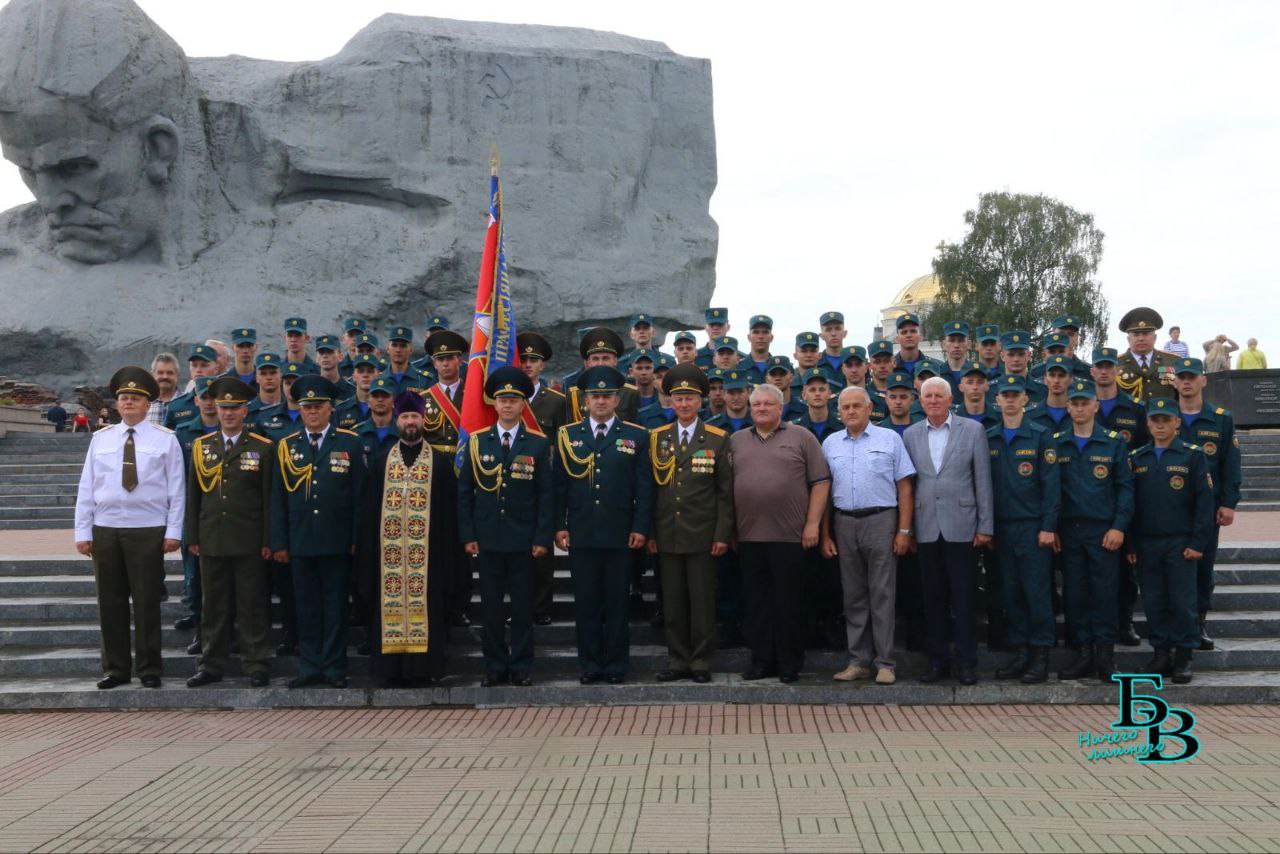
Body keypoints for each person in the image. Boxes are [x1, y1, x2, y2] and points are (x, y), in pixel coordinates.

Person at [74, 367, 185, 689]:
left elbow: (176, 489)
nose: (129, 403)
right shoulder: (101, 439)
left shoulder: (165, 440)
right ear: (117, 403)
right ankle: (116, 669)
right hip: (106, 528)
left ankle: (150, 668)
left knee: (147, 601)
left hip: (147, 528)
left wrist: (173, 531)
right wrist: (83, 532)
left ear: (147, 403)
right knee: (110, 601)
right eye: (124, 398)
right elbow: (87, 488)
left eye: (135, 398)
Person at [554, 366, 652, 684]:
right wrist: (560, 525)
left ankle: (616, 665)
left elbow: (644, 488)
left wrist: (640, 527)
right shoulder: (568, 435)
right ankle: (590, 664)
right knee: (586, 604)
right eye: (595, 396)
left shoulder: (636, 435)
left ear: (617, 399)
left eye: (606, 396)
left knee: (617, 604)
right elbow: (560, 485)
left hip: (620, 533)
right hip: (582, 533)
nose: (600, 401)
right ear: (585, 401)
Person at [458, 368, 554, 687]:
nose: (508, 406)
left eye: (514, 400)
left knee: (523, 609)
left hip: (524, 541)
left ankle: (522, 666)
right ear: (494, 405)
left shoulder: (538, 444)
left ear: (523, 404)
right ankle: (495, 667)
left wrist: (542, 538)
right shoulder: (477, 441)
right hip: (487, 541)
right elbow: (465, 494)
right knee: (491, 610)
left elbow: (546, 495)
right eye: (503, 400)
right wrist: (469, 535)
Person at [270, 375, 367, 689]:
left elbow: (359, 497)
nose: (312, 411)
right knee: (306, 607)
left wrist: (355, 539)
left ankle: (335, 667)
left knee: (336, 606)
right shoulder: (286, 446)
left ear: (331, 408)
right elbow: (278, 499)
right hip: (300, 541)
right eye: (306, 406)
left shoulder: (350, 443)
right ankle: (310, 666)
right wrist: (280, 542)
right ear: (299, 409)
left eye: (319, 406)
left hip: (337, 540)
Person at [730, 383, 831, 683]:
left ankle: (789, 663)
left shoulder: (802, 437)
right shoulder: (735, 440)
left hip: (791, 537)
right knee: (757, 606)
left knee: (789, 604)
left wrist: (812, 523)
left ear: (781, 407)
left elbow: (821, 482)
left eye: (767, 404)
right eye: (756, 404)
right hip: (748, 538)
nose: (761, 408)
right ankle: (762, 662)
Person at [357, 391, 458, 688]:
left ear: (423, 420)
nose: (410, 422)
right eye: (405, 417)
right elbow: (369, 513)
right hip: (388, 561)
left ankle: (423, 669)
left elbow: (450, 517)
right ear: (396, 421)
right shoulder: (380, 464)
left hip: (428, 559)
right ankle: (391, 670)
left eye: (415, 416)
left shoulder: (440, 464)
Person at [901, 376, 994, 685]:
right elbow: (909, 484)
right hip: (926, 527)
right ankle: (938, 661)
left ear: (951, 398)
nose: (933, 401)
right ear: (921, 400)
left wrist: (985, 526)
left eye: (939, 395)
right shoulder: (911, 434)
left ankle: (967, 663)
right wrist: (908, 530)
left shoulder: (973, 430)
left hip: (963, 527)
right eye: (928, 396)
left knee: (964, 598)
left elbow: (982, 480)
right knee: (933, 598)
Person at [820, 386, 914, 686]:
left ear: (869, 407)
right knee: (854, 596)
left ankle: (885, 662)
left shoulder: (890, 439)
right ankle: (858, 660)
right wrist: (825, 534)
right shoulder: (831, 443)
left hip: (881, 520)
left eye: (856, 406)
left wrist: (903, 530)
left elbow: (905, 487)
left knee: (882, 593)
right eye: (845, 407)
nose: (850, 411)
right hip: (844, 522)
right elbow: (823, 491)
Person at [184, 377, 274, 688]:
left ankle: (256, 663)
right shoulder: (201, 447)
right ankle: (210, 664)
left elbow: (268, 498)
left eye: (234, 408)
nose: (228, 413)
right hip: (212, 538)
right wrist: (191, 537)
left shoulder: (263, 448)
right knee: (214, 607)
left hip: (249, 538)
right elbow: (193, 496)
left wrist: (267, 540)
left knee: (252, 605)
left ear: (245, 411)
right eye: (223, 407)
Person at [647, 365, 733, 683]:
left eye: (690, 399)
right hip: (667, 533)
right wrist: (651, 532)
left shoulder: (717, 439)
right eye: (679, 398)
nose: (684, 404)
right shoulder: (656, 439)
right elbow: (650, 491)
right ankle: (677, 660)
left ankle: (700, 662)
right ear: (670, 401)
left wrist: (722, 534)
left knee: (701, 601)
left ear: (702, 402)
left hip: (702, 533)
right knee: (673, 602)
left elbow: (725, 494)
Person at [1128, 398, 1215, 683]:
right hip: (1147, 542)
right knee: (1154, 601)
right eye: (1155, 420)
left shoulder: (1192, 455)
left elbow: (1204, 504)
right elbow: (1129, 505)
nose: (1160, 425)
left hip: (1181, 543)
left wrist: (1198, 543)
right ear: (1148, 424)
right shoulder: (1138, 457)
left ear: (1177, 422)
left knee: (1182, 601)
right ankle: (1161, 653)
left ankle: (1183, 657)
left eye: (1166, 420)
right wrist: (1130, 544)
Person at [1052, 380, 1133, 681]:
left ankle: (1105, 657)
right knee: (1075, 595)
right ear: (1068, 407)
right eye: (1074, 403)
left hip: (1104, 532)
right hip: (1070, 531)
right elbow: (1051, 490)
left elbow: (1125, 489)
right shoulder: (1058, 442)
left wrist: (1118, 527)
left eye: (1085, 402)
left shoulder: (1113, 442)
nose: (1079, 408)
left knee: (1105, 594)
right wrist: (1053, 527)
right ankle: (1083, 654)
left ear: (1096, 406)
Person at [986, 375, 1060, 684]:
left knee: (1037, 593)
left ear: (1026, 399)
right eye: (1006, 395)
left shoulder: (1041, 436)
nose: (1012, 399)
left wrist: (1048, 527)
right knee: (1011, 592)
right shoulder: (989, 437)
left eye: (1017, 394)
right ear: (998, 400)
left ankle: (1040, 655)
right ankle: (1020, 652)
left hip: (1032, 528)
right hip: (1002, 529)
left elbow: (1052, 486)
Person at [1172, 357, 1242, 651]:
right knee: (1169, 568)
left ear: (1203, 380)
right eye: (1182, 377)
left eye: (1192, 377)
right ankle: (1170, 626)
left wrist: (1229, 503)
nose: (1187, 382)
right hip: (1169, 508)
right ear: (1174, 382)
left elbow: (1230, 464)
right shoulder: (1161, 417)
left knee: (1202, 567)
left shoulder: (1221, 419)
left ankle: (1198, 623)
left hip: (1207, 510)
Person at [517, 331, 566, 626]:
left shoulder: (556, 402)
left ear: (542, 366)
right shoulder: (506, 398)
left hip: (545, 481)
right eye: (523, 359)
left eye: (533, 361)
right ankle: (520, 604)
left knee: (543, 548)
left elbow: (562, 445)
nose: (527, 365)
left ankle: (541, 605)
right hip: (514, 482)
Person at [172, 376, 220, 654]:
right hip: (195, 516)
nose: (210, 402)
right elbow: (177, 481)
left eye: (215, 397)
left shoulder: (235, 430)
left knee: (226, 583)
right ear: (197, 400)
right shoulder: (183, 434)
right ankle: (201, 635)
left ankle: (228, 634)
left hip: (225, 516)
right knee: (196, 581)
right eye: (205, 397)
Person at [1116, 307, 1178, 403]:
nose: (1141, 338)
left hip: (1163, 417)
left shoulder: (1172, 361)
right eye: (1136, 334)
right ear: (1128, 339)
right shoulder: (1116, 364)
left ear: (1155, 337)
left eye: (1145, 334)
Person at [146, 353, 180, 426]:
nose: (165, 377)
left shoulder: (188, 403)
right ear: (152, 375)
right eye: (160, 373)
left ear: (177, 375)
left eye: (170, 373)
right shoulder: (143, 404)